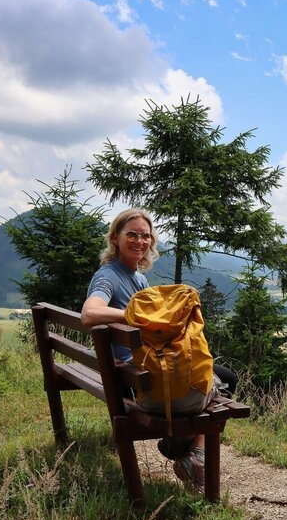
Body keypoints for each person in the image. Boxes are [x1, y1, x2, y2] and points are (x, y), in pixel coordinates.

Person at [82, 207, 233, 493]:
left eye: (145, 236)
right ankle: (191, 453)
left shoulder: (136, 278)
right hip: (135, 379)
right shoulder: (108, 276)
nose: (140, 241)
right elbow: (90, 314)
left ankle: (180, 447)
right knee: (223, 379)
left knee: (218, 372)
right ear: (115, 237)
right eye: (132, 235)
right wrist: (135, 317)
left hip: (137, 370)